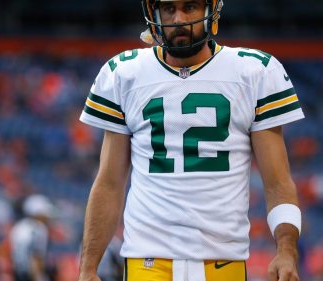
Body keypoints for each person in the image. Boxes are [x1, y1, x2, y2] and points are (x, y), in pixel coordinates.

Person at [77, 0, 305, 280]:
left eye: (190, 7)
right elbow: (109, 183)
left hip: (223, 258)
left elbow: (278, 182)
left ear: (211, 10)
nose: (179, 18)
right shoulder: (124, 73)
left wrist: (286, 250)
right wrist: (88, 267)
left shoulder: (255, 72)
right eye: (169, 8)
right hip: (147, 258)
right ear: (153, 14)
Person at [10, 194, 55, 281]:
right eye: (44, 214)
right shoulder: (39, 228)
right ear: (37, 213)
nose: (48, 218)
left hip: (17, 274)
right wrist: (39, 277)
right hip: (31, 275)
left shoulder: (18, 227)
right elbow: (35, 257)